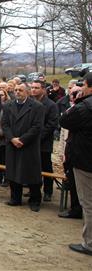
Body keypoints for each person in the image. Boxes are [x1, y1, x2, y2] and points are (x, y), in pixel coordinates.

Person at [59, 72, 92, 256]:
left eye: (84, 86)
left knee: (88, 203)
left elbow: (64, 120)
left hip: (85, 161)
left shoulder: (84, 107)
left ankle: (89, 243)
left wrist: (77, 102)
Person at [2, 82, 44, 212]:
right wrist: (12, 138)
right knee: (13, 171)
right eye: (15, 90)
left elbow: (37, 127)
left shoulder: (37, 106)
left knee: (31, 172)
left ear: (27, 92)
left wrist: (23, 139)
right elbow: (5, 124)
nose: (17, 92)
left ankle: (35, 200)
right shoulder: (8, 105)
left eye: (20, 90)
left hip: (28, 145)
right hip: (13, 144)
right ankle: (15, 198)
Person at [30, 80, 59, 202]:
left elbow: (51, 124)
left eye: (36, 88)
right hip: (30, 141)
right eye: (32, 87)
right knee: (32, 167)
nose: (33, 90)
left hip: (44, 142)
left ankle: (48, 191)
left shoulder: (51, 105)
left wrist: (38, 137)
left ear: (43, 89)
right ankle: (34, 189)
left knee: (46, 166)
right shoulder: (29, 103)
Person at [0, 88, 11, 186]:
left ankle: (7, 178)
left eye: (2, 95)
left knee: (5, 159)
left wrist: (1, 133)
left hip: (4, 138)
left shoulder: (8, 107)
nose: (0, 97)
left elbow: (8, 122)